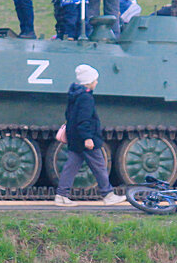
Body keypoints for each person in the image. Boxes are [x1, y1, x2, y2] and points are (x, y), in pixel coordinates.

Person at [54, 64, 127, 207]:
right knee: (99, 166)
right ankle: (108, 195)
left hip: (75, 137)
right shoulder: (86, 98)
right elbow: (84, 120)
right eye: (95, 80)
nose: (96, 82)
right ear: (89, 82)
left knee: (71, 166)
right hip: (84, 139)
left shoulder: (75, 95)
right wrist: (88, 137)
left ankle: (61, 196)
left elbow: (69, 116)